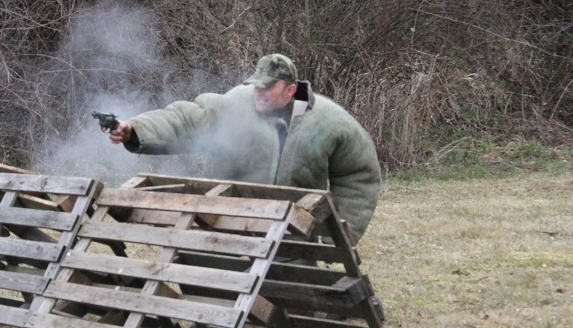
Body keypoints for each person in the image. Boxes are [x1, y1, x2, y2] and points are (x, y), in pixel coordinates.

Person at [104, 54, 381, 242]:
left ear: (290, 90)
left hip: (294, 238)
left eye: (268, 87)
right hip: (231, 228)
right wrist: (135, 129)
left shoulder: (330, 122)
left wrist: (336, 236)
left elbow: (358, 174)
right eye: (256, 85)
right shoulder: (234, 104)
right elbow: (184, 120)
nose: (258, 92)